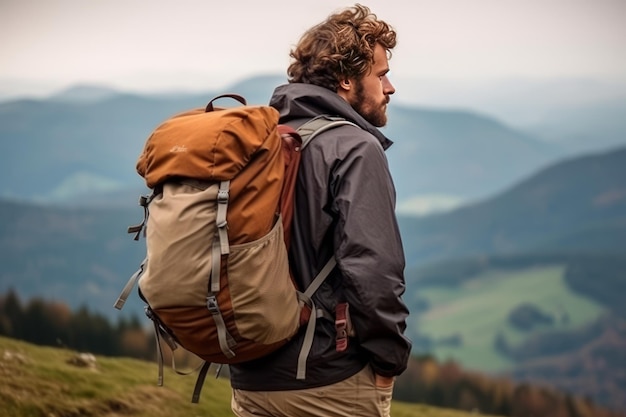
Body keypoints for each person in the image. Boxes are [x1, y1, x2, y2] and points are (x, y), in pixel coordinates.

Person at [229, 4, 412, 416]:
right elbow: (373, 270)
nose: (390, 87)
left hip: (251, 378)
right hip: (328, 382)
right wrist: (389, 362)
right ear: (346, 80)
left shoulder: (265, 139)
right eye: (381, 74)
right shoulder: (354, 148)